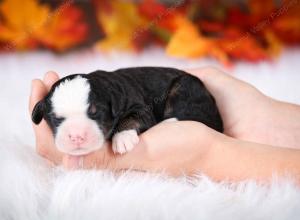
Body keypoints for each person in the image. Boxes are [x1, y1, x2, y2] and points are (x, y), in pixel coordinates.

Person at [29, 67, 300, 183]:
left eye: (92, 114)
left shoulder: (118, 96)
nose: (75, 134)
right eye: (60, 120)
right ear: (44, 114)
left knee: (180, 95)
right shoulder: (103, 94)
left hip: (180, 90)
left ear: (109, 105)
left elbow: (140, 112)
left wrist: (126, 128)